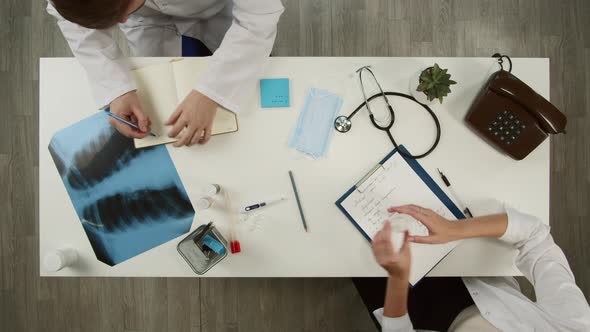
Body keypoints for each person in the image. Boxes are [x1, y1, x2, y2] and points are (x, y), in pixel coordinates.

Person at [47, 0, 284, 145]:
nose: (121, 20)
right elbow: (73, 20)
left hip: (218, 9)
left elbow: (257, 18)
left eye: (123, 9)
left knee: (254, 102)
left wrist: (213, 93)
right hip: (149, 22)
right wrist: (116, 89)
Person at [355, 204, 590, 331]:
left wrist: (398, 276)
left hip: (416, 314)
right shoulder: (573, 324)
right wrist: (453, 229)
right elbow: (536, 237)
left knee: (352, 248)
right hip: (473, 277)